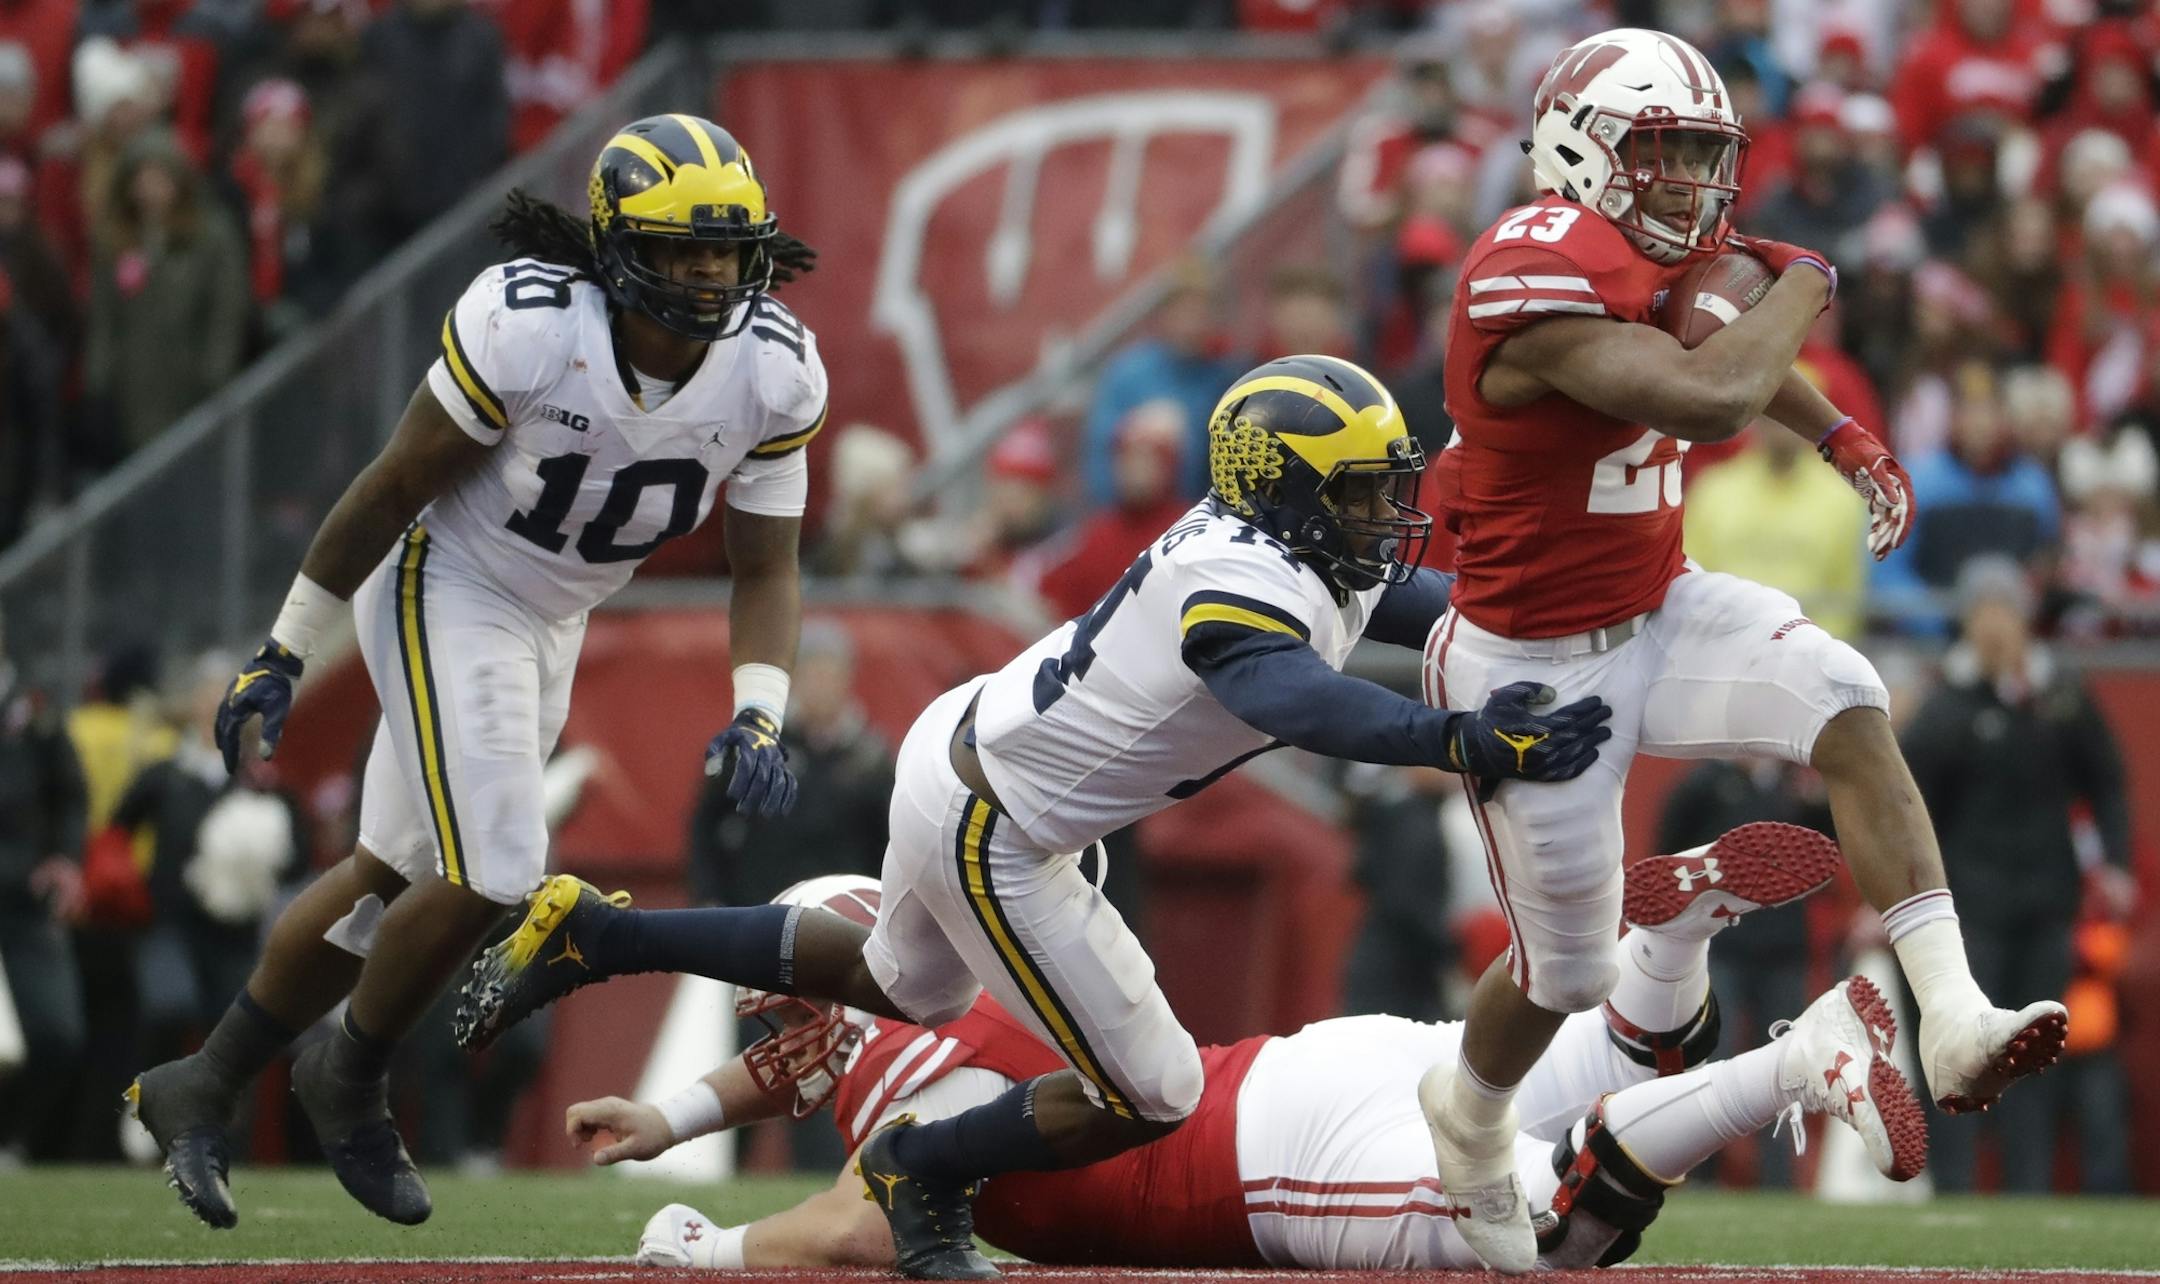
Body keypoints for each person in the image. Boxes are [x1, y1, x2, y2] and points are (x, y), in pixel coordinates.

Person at [457, 354, 1614, 1280]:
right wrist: (1461, 738)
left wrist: (1581, 620)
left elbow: (1448, 606)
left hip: (962, 752)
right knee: (1155, 1089)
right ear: (1289, 489)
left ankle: (594, 935)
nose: (1385, 512)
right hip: (1001, 825)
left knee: (906, 987)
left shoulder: (1290, 545)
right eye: (1361, 489)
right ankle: (924, 1171)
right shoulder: (1242, 584)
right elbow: (1294, 699)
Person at [1422, 28, 2064, 1271]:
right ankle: (1470, 1112)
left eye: (1707, 156)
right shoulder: (1529, 266)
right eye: (1666, 154)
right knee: (1561, 972)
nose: (1694, 185)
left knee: (1846, 692)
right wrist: (1809, 283)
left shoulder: (1643, 253)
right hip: (1530, 664)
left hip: (1658, 602)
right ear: (1580, 150)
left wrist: (1843, 438)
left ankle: (1952, 1015)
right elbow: (1712, 390)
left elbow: (1726, 336)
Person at [126, 114, 827, 1231]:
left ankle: (200, 1084)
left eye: (726, 247)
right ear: (615, 246)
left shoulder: (775, 371)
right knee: (499, 864)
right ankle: (345, 1074)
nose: (709, 272)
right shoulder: (533, 327)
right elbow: (394, 482)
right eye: (682, 247)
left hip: (556, 615)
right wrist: (286, 647)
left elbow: (767, 563)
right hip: (446, 578)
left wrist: (760, 711)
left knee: (393, 874)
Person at [589, 827, 1919, 1273]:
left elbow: (854, 1229)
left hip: (1282, 1157)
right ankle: (1673, 943)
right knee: (1609, 1071)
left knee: (1546, 1232)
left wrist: (705, 1248)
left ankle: (1795, 1064)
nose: (783, 1038)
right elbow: (794, 1074)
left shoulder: (916, 1089)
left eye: (798, 1002)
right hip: (1318, 1070)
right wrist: (670, 1124)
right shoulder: (956, 1027)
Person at [1899, 557, 2135, 1192]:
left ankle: (2026, 1187)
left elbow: (2107, 781)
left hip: (2044, 899)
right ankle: (1952, 1185)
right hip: (1972, 908)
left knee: (2033, 1052)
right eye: (1985, 612)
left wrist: (2114, 861)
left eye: (2007, 610)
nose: (1997, 626)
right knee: (1962, 1047)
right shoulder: (1946, 704)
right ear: (1968, 623)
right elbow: (1907, 803)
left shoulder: (2058, 695)